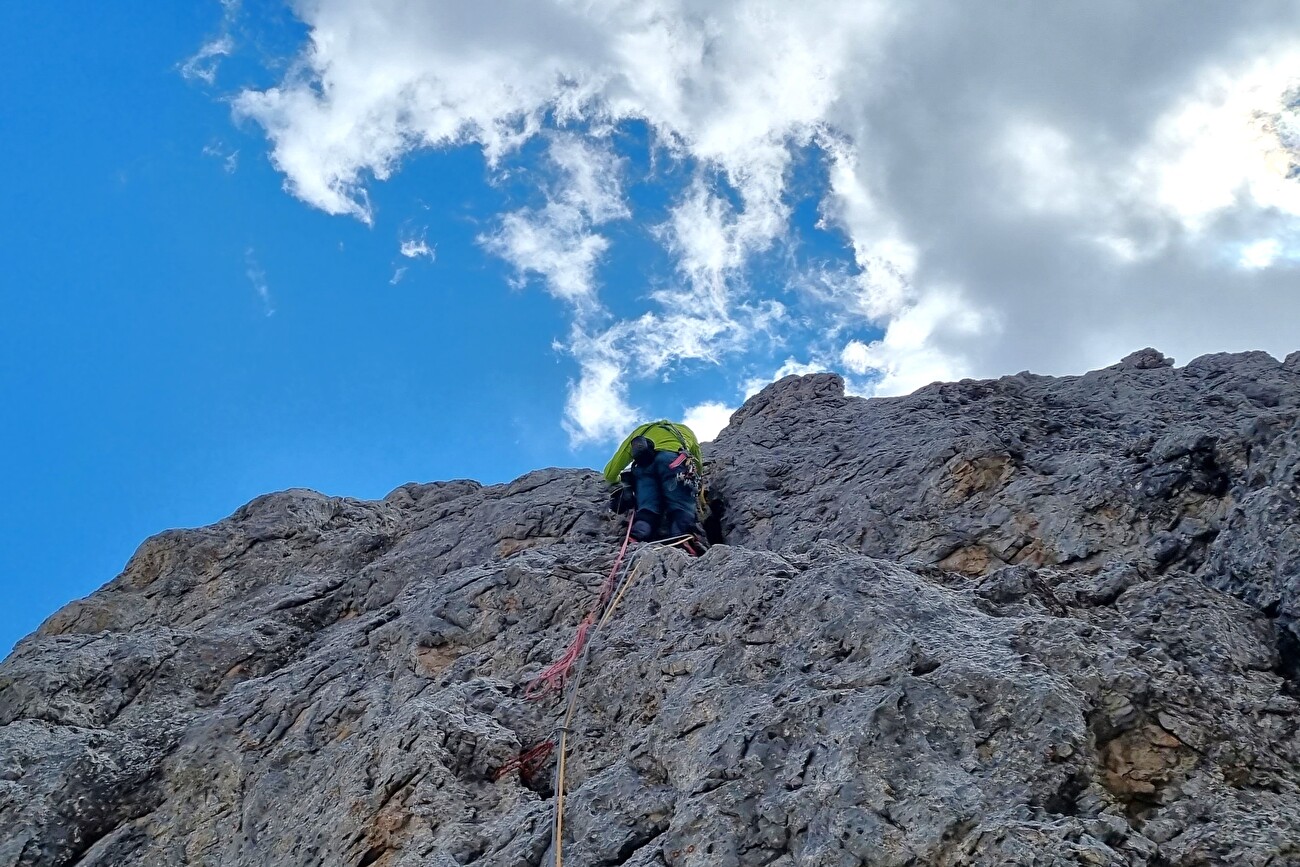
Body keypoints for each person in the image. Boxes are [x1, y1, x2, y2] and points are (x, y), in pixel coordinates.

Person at [603, 421, 707, 548]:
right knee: (681, 506)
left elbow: (609, 474)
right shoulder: (685, 431)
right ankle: (683, 538)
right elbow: (697, 462)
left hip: (644, 467)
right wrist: (699, 478)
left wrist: (619, 480)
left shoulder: (641, 431)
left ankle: (638, 534)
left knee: (647, 508)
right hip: (673, 462)